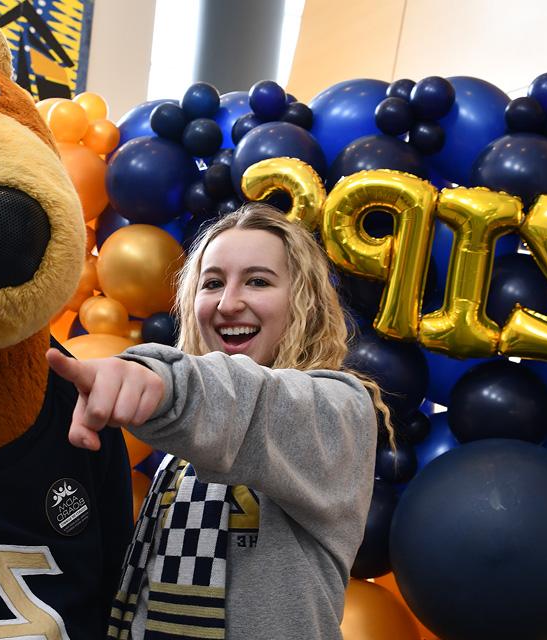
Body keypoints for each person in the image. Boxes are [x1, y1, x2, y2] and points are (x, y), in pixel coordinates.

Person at [46, 202, 395, 639]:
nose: (229, 303)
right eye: (212, 284)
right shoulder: (184, 446)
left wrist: (160, 382)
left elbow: (251, 402)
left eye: (258, 281)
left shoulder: (337, 410)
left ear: (302, 301)